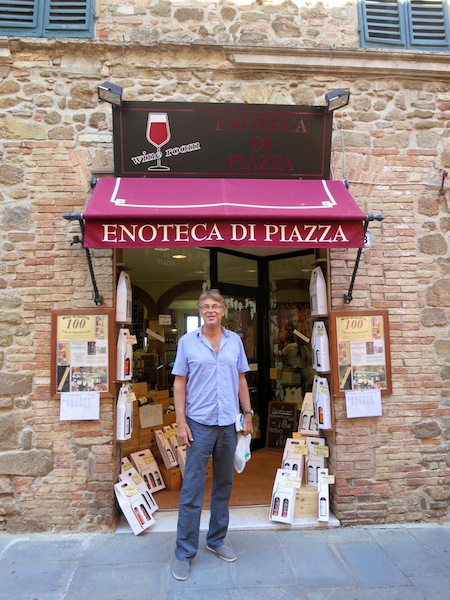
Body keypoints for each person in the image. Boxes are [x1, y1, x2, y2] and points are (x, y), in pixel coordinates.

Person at [171, 289, 253, 581]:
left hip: (229, 424)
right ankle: (184, 552)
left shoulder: (235, 342)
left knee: (223, 486)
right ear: (200, 311)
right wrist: (181, 422)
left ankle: (216, 539)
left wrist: (248, 413)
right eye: (205, 306)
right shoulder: (186, 343)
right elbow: (179, 383)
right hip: (199, 424)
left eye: (215, 305)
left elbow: (241, 378)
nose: (210, 310)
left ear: (223, 310)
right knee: (192, 488)